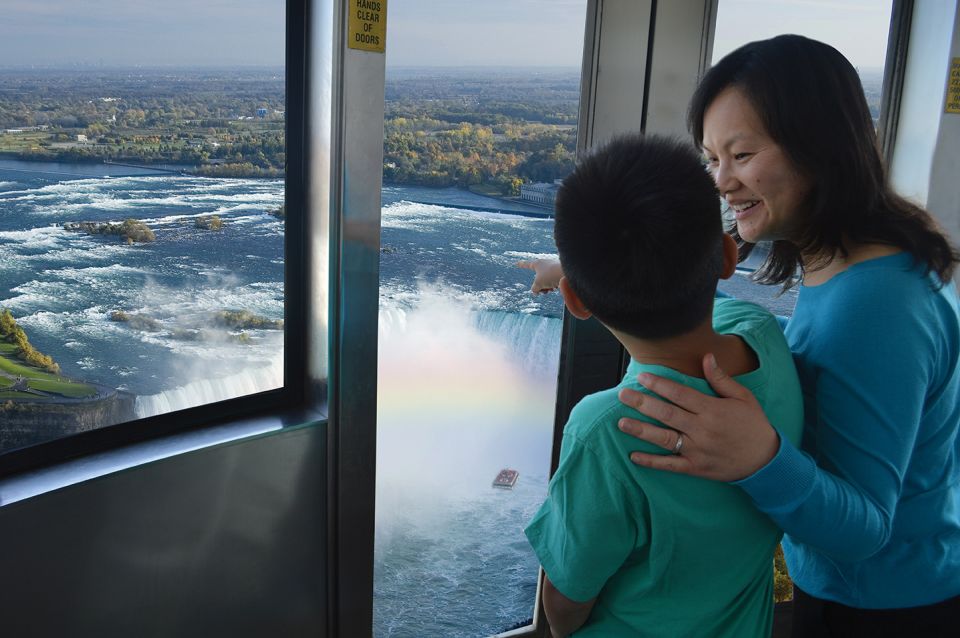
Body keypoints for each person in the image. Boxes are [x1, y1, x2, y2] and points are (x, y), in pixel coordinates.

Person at [608, 35, 960, 636]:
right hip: (869, 589)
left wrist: (758, 458)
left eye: (741, 155)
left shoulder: (875, 304)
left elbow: (866, 527)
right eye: (711, 158)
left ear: (819, 148)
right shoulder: (850, 260)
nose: (721, 181)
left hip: (883, 607)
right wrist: (600, 269)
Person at [523, 133, 804, 637]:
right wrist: (568, 272)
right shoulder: (762, 336)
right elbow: (689, 291)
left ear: (576, 302)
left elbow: (566, 599)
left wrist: (575, 274)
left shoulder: (608, 428)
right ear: (726, 256)